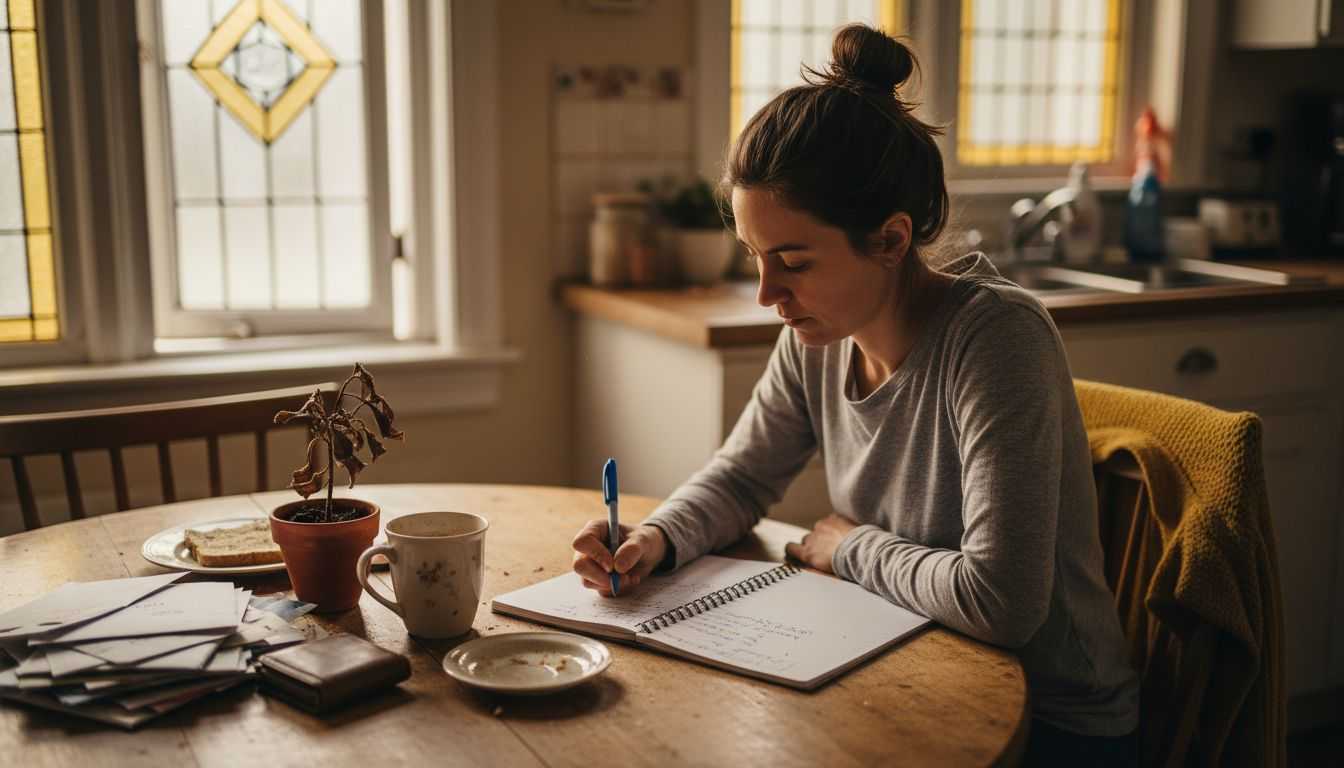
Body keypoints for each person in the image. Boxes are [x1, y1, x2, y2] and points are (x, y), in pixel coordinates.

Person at [571, 24, 1139, 766]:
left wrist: (851, 546)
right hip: (905, 664)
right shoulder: (818, 330)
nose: (769, 293)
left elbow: (1003, 601)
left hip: (1054, 723)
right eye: (754, 258)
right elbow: (744, 475)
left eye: (794, 262)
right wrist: (659, 537)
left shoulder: (998, 341)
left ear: (892, 241)